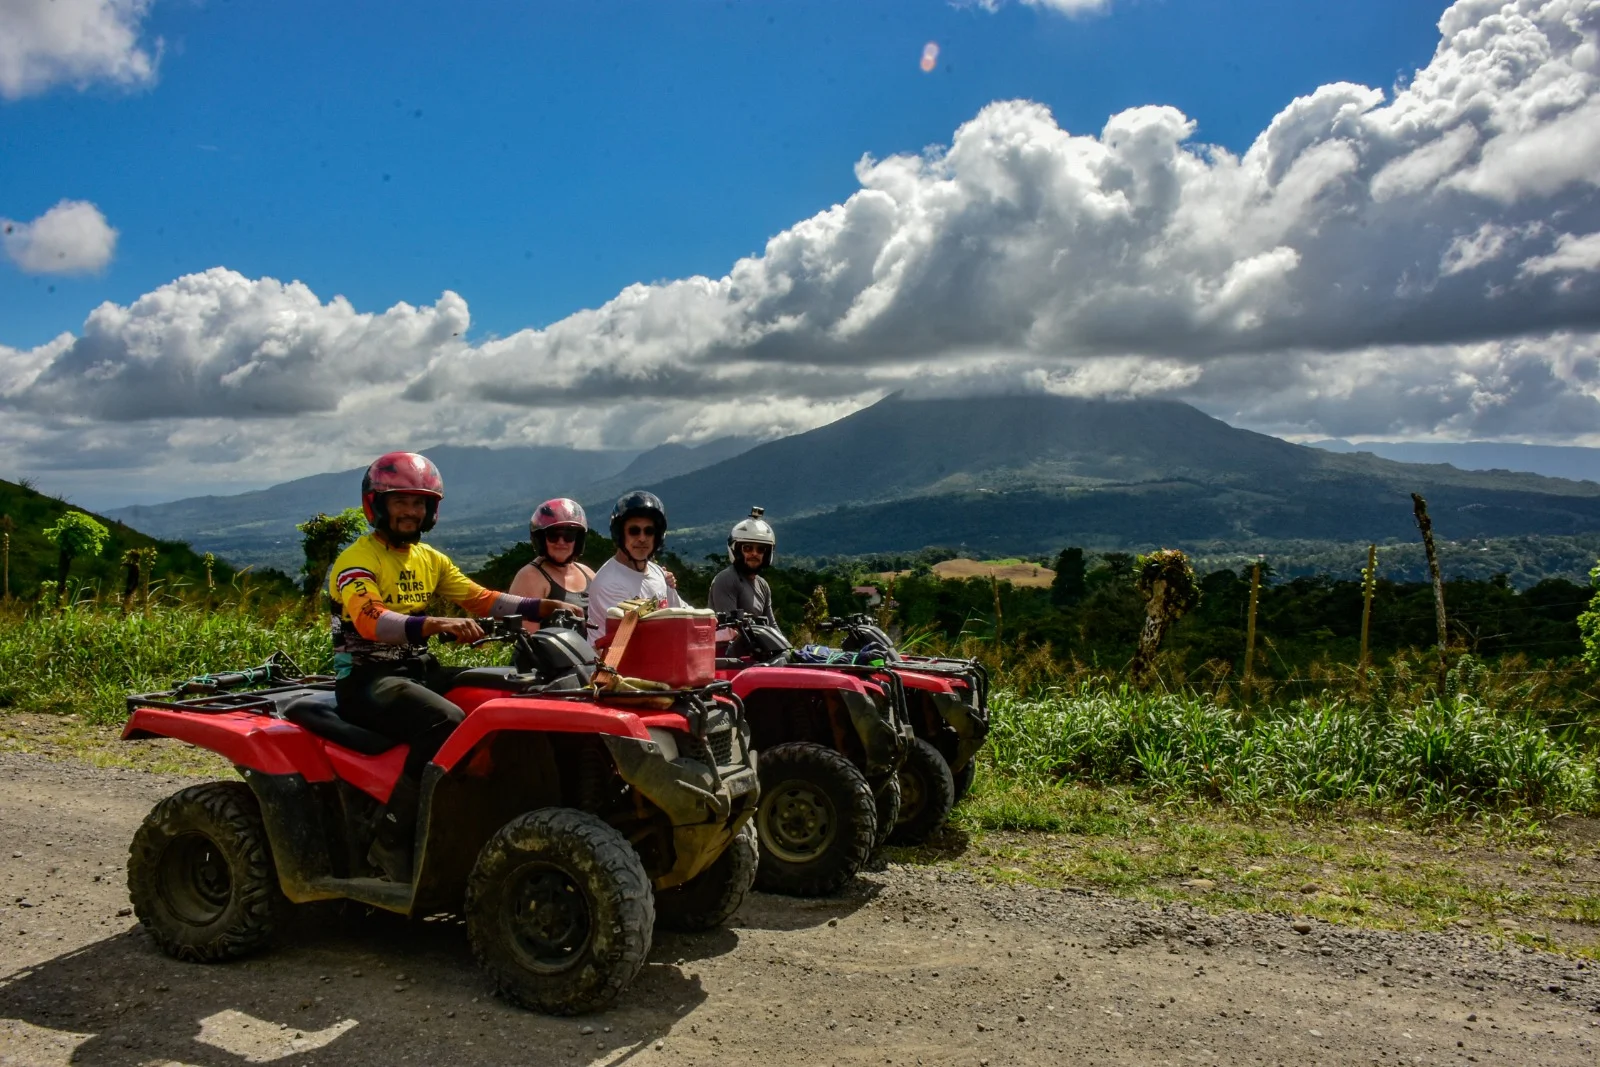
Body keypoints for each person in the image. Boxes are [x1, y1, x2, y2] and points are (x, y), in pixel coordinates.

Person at [328, 451, 577, 881]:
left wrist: (546, 604)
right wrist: (436, 623)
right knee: (443, 721)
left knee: (510, 689)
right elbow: (371, 622)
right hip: (368, 681)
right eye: (400, 501)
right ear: (377, 504)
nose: (411, 511)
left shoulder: (429, 559)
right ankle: (391, 840)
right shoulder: (356, 561)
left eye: (419, 502)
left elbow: (484, 599)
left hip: (418, 668)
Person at [586, 490, 682, 640]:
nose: (642, 538)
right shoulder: (609, 583)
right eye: (634, 531)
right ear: (620, 534)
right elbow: (629, 639)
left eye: (649, 531)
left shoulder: (658, 573)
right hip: (615, 660)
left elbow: (683, 613)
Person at [508, 497, 595, 632]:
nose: (561, 542)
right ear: (541, 539)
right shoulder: (530, 577)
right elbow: (529, 640)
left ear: (578, 540)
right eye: (553, 535)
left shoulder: (587, 573)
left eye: (569, 536)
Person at [708, 506, 779, 628]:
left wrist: (788, 647)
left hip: (755, 645)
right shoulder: (727, 579)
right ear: (737, 550)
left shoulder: (763, 585)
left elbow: (772, 625)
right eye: (747, 548)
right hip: (727, 646)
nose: (754, 553)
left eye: (760, 549)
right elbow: (730, 629)